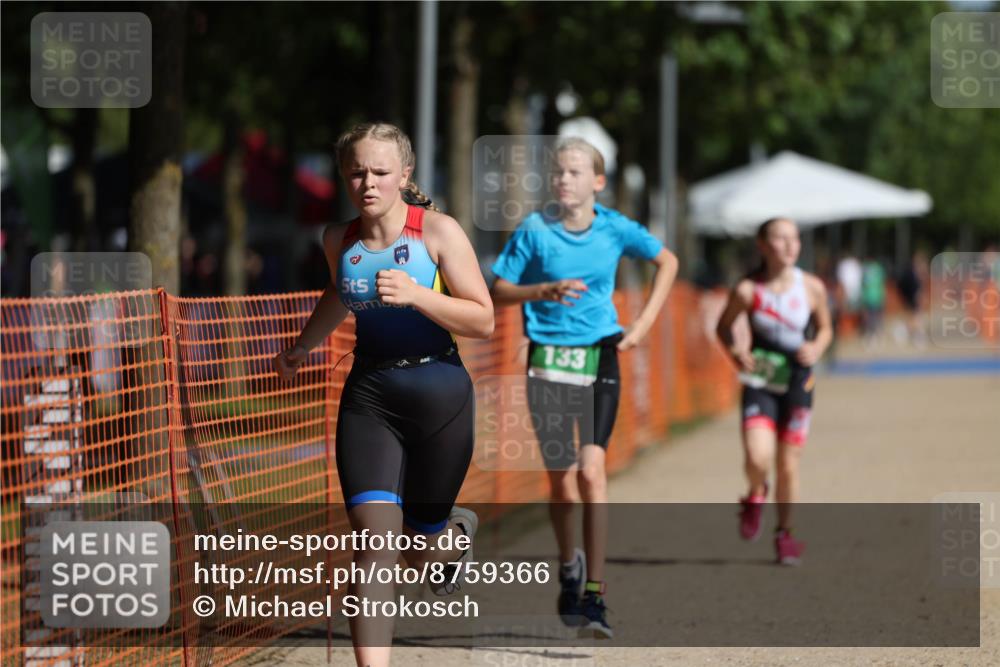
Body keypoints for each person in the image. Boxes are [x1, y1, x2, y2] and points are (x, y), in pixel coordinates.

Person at [272, 122, 494, 667]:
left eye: (379, 171)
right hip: (370, 396)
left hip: (440, 393)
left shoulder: (437, 233)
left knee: (418, 547)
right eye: (356, 172)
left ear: (404, 175)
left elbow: (483, 319)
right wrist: (302, 346)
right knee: (376, 544)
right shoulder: (336, 240)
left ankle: (451, 537)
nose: (367, 182)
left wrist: (419, 295)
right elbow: (337, 293)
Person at [491, 137, 678, 638]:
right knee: (562, 482)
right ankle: (568, 565)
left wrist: (641, 326)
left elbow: (668, 262)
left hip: (601, 355)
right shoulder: (534, 231)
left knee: (592, 472)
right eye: (557, 173)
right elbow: (496, 289)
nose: (563, 180)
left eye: (574, 173)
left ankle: (595, 594)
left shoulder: (615, 228)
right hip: (547, 360)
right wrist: (541, 290)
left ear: (597, 182)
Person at [715, 217, 833, 565]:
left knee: (787, 464)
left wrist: (818, 348)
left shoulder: (812, 287)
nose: (789, 245)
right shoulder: (748, 290)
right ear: (763, 246)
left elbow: (826, 328)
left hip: (798, 382)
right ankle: (755, 493)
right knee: (757, 457)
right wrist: (737, 352)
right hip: (762, 381)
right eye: (780, 239)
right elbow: (722, 327)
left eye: (794, 238)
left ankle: (786, 534)